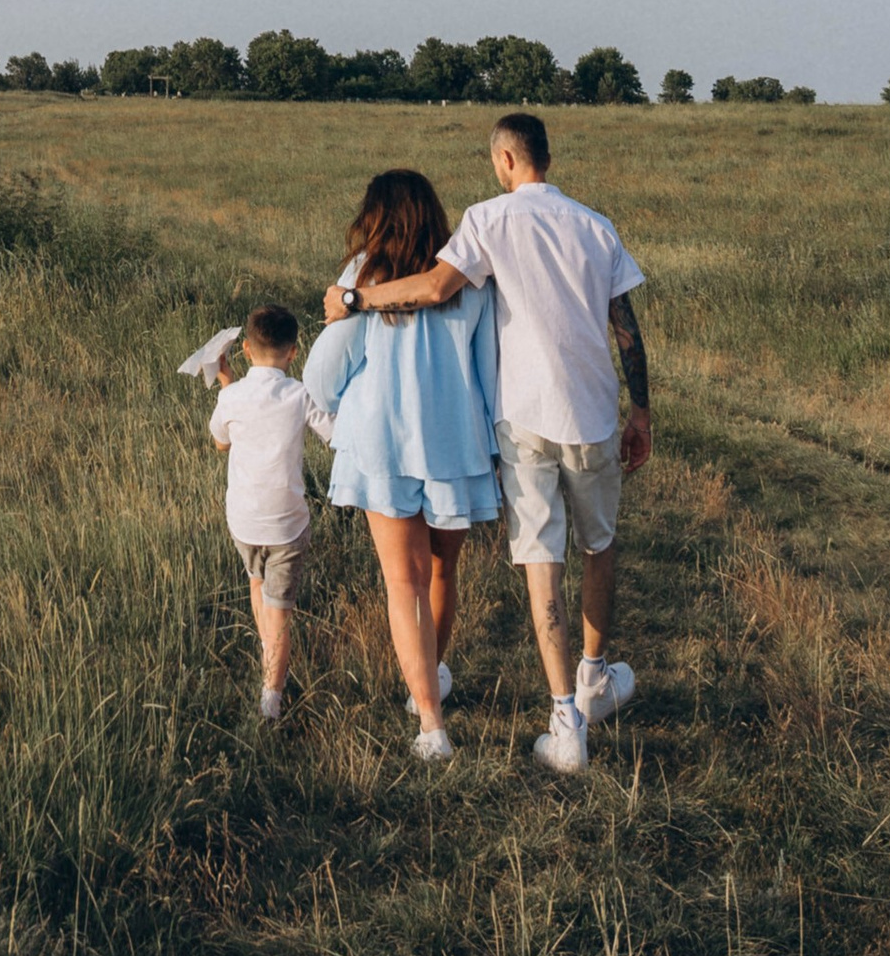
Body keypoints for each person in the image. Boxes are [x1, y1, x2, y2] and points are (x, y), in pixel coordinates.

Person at [351, 111, 648, 778]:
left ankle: (564, 720)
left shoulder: (487, 219)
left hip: (523, 416)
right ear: (546, 156)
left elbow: (433, 288)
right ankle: (596, 673)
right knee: (599, 544)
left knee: (542, 561)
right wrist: (643, 411)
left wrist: (356, 295)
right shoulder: (597, 226)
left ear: (505, 160)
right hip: (596, 411)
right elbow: (625, 329)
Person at [308, 168, 499, 764]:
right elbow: (489, 370)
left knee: (403, 583)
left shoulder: (364, 276)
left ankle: (432, 727)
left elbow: (321, 375)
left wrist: (346, 417)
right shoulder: (465, 276)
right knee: (442, 574)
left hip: (382, 444)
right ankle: (428, 688)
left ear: (375, 215)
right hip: (454, 443)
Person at [205, 306, 325, 723]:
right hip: (287, 523)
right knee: (280, 612)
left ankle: (267, 653)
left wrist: (226, 383)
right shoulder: (299, 393)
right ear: (294, 351)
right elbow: (333, 432)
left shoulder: (230, 395)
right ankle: (271, 699)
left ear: (244, 350)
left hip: (243, 520)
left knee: (256, 581)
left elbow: (221, 442)